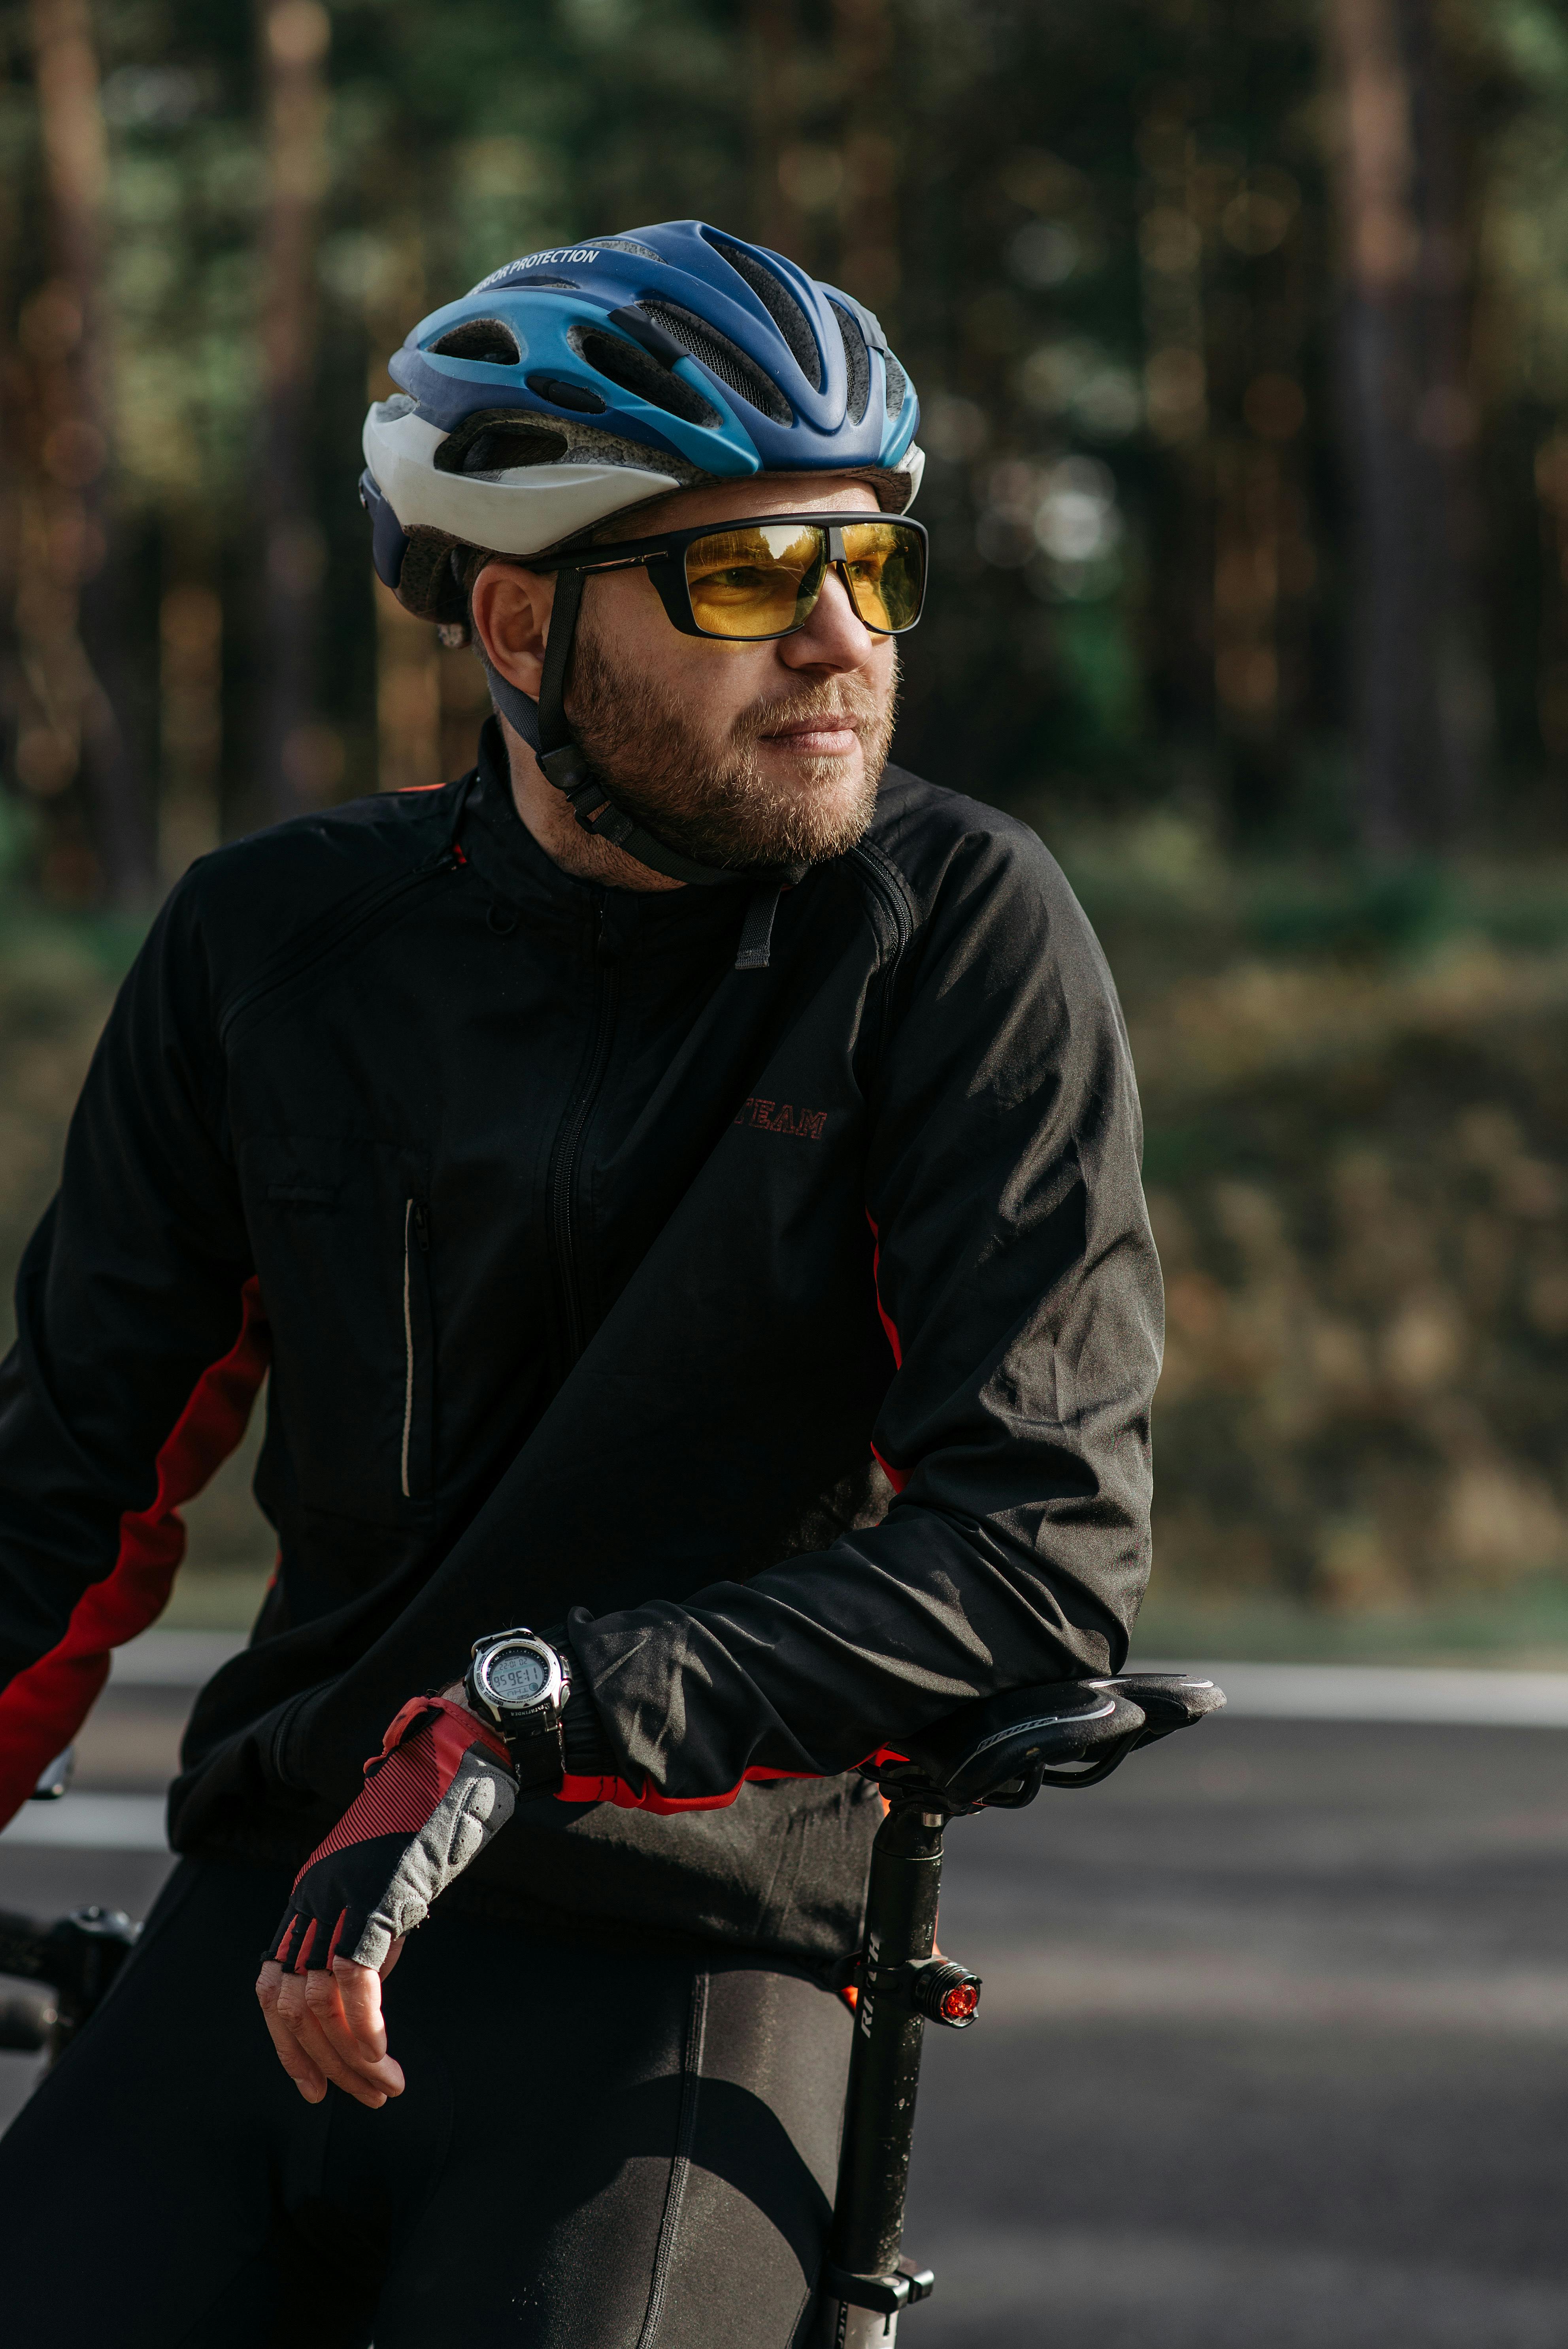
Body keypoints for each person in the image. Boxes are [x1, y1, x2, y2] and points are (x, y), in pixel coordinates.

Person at [0, 220, 1160, 2346]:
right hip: (271, 1917)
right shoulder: (276, 947)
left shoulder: (951, 936)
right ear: (518, 616)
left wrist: (532, 1712)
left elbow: (1041, 1547)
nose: (837, 639)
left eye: (870, 564)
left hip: (683, 1966)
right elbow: (65, 1485)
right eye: (743, 574)